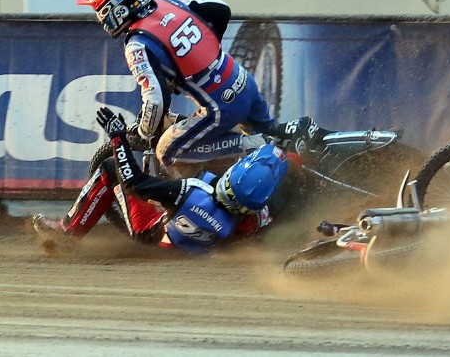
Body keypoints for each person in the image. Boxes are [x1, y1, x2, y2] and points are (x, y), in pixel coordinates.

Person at [76, 0, 276, 178]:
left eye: (101, 10)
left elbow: (156, 100)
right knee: (281, 142)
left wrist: (144, 132)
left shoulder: (137, 43)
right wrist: (206, 48)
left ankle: (255, 145)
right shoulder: (168, 3)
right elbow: (220, 8)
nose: (101, 17)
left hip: (221, 107)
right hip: (242, 78)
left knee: (168, 151)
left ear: (117, 9)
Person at [33, 107, 290, 255]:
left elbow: (134, 182)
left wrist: (118, 138)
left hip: (152, 233)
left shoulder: (194, 192)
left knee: (111, 167)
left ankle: (68, 233)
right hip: (194, 249)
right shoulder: (259, 214)